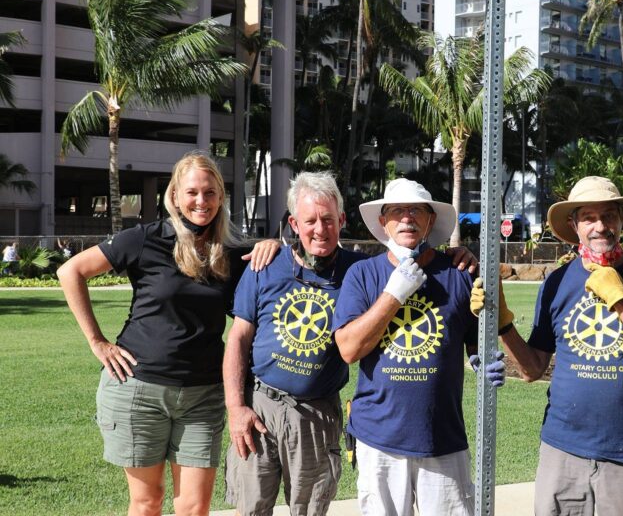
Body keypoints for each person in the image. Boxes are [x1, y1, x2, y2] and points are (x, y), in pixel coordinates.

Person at [473, 176, 623, 516]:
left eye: (609, 216)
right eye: (589, 217)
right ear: (574, 225)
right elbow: (532, 369)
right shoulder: (557, 282)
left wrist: (621, 299)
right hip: (562, 452)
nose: (600, 226)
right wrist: (502, 323)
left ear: (622, 220)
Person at [57, 151, 248, 516]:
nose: (201, 202)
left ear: (221, 196)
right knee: (147, 503)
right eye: (191, 192)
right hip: (138, 390)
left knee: (195, 507)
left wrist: (270, 246)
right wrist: (97, 343)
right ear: (175, 196)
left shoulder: (235, 252)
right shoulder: (146, 239)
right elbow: (71, 272)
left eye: (209, 193)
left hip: (202, 396)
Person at [333, 178, 497, 516]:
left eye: (416, 210)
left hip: (442, 437)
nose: (407, 218)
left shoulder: (460, 272)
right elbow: (348, 349)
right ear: (383, 221)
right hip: (379, 439)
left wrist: (483, 357)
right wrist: (393, 295)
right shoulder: (362, 275)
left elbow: (477, 344)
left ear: (431, 220)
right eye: (397, 211)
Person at [223, 171, 366, 516]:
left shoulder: (360, 271)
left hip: (316, 415)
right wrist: (236, 409)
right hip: (260, 408)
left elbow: (407, 265)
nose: (320, 229)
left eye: (328, 219)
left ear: (342, 220)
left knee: (310, 510)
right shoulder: (265, 265)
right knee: (251, 508)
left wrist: (457, 254)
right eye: (310, 220)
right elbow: (238, 339)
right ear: (293, 224)